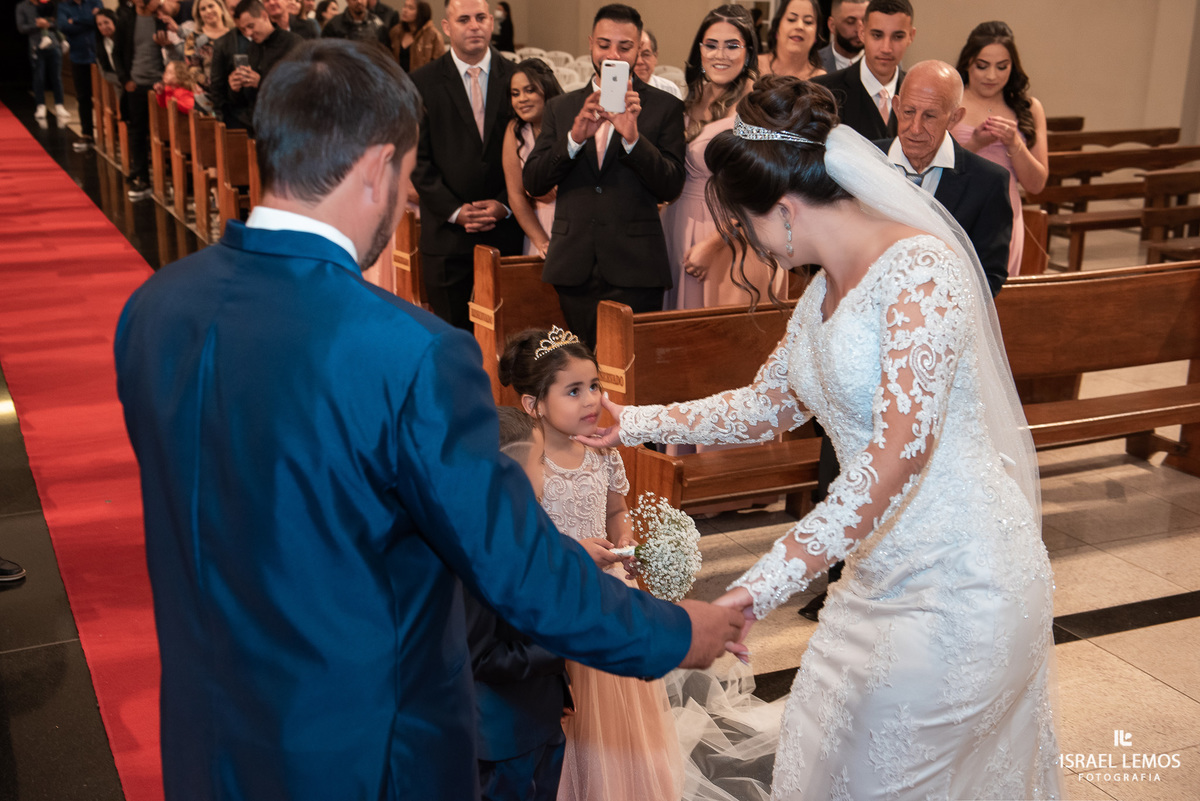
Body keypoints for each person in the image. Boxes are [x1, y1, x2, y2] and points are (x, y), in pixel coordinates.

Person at [114, 39, 743, 800]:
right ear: (379, 166)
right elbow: (516, 569)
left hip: (209, 736)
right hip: (368, 752)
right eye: (410, 175)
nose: (409, 196)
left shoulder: (153, 308)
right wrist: (678, 631)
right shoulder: (413, 353)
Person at [581, 75, 1062, 800]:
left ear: (784, 208)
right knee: (815, 765)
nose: (751, 246)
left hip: (963, 585)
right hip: (873, 582)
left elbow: (897, 455)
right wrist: (633, 421)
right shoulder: (822, 290)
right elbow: (765, 405)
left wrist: (755, 587)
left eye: (745, 226)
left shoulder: (922, 273)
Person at [499, 328, 683, 801]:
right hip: (562, 598)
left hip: (609, 591)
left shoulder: (602, 448)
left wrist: (626, 542)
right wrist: (575, 548)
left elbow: (616, 510)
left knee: (620, 715)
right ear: (533, 404)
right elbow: (522, 538)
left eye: (595, 386)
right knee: (574, 715)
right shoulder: (524, 463)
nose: (591, 400)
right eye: (574, 390)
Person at [522, 3, 686, 348]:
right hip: (573, 263)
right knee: (580, 369)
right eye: (604, 44)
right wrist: (574, 138)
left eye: (624, 47)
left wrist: (633, 139)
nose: (613, 54)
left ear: (639, 48)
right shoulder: (562, 107)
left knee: (629, 371)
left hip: (636, 265)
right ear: (591, 44)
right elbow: (534, 182)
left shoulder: (663, 106)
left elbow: (670, 185)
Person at [466, 407, 587, 801]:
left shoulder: (530, 517)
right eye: (539, 461)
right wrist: (560, 648)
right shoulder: (478, 549)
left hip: (542, 714)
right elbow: (481, 656)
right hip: (503, 735)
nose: (546, 472)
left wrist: (559, 691)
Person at [664, 4, 785, 311]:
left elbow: (768, 193)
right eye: (712, 45)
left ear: (748, 52)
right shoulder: (692, 96)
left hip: (730, 241)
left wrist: (714, 244)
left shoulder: (756, 108)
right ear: (699, 50)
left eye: (732, 46)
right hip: (681, 225)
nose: (721, 55)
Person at [410, 0, 522, 329]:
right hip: (447, 238)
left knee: (508, 343)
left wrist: (504, 203)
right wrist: (456, 211)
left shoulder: (517, 78)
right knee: (452, 341)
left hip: (505, 234)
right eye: (463, 19)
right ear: (447, 27)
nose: (474, 26)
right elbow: (417, 159)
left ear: (492, 22)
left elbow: (533, 150)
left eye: (480, 17)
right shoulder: (421, 82)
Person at [886, 60, 1013, 296]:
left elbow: (989, 276)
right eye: (909, 112)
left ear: (955, 118)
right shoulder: (866, 161)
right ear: (896, 106)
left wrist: (938, 315)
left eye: (930, 116)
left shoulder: (988, 183)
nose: (915, 128)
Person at [953, 20, 1048, 280]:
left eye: (1002, 67)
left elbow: (1036, 184)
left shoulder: (1029, 108)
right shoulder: (951, 100)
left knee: (999, 298)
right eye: (982, 66)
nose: (992, 76)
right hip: (959, 211)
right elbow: (934, 167)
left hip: (1006, 213)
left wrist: (1014, 144)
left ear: (1013, 67)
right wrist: (974, 144)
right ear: (967, 62)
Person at [812, 0, 914, 140]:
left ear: (911, 36)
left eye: (898, 37)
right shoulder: (822, 92)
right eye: (877, 35)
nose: (886, 48)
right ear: (862, 33)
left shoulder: (919, 94)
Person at [502, 59, 562, 257]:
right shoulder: (515, 130)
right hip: (536, 227)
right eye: (515, 94)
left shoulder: (571, 122)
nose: (522, 99)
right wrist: (542, 242)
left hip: (573, 223)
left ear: (547, 89)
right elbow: (516, 195)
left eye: (530, 90)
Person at [210, 0, 299, 133]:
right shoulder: (252, 48)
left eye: (251, 26)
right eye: (244, 29)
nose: (248, 33)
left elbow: (300, 90)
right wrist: (235, 88)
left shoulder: (293, 43)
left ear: (264, 16)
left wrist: (261, 82)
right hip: (254, 122)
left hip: (285, 122)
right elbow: (243, 99)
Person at [113, 0, 166, 200]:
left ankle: (170, 179)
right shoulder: (126, 19)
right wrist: (125, 80)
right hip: (136, 84)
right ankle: (143, 178)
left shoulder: (161, 19)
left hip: (161, 84)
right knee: (137, 132)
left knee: (166, 133)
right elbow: (117, 53)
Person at [58, 0, 105, 150]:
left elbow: (99, 21)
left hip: (99, 56)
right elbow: (64, 26)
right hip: (79, 57)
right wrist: (88, 21)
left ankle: (110, 132)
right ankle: (87, 134)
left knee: (105, 97)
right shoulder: (64, 6)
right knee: (83, 97)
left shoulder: (94, 1)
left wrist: (76, 21)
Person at [17, 0, 71, 125]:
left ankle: (59, 105)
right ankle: (40, 105)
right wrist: (38, 26)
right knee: (39, 77)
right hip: (36, 46)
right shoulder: (22, 6)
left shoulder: (51, 4)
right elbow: (21, 28)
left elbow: (60, 22)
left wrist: (47, 23)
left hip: (54, 44)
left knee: (57, 77)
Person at [759, 0, 825, 82]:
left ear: (816, 35)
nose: (799, 26)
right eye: (791, 19)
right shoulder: (755, 66)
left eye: (808, 22)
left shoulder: (821, 79)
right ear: (777, 28)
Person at [183, 0, 231, 92]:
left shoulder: (234, 33)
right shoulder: (193, 38)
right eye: (203, 9)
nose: (208, 11)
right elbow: (193, 70)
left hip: (236, 94)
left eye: (211, 6)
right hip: (207, 95)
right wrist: (217, 84)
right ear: (199, 14)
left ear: (221, 7)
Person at [389, 0, 443, 71]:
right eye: (405, 6)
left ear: (421, 13)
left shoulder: (433, 35)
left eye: (410, 8)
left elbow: (440, 64)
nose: (405, 10)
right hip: (398, 78)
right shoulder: (396, 31)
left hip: (421, 79)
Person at [816, 0, 866, 73]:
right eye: (850, 22)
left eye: (865, 21)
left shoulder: (880, 62)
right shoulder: (813, 63)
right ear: (832, 25)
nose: (860, 29)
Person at [634, 28, 681, 100]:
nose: (639, 61)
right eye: (635, 56)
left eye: (646, 55)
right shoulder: (614, 90)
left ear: (655, 56)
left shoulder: (671, 90)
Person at [321, 0, 390, 48]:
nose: (359, 1)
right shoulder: (334, 25)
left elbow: (384, 55)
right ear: (347, 1)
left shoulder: (378, 25)